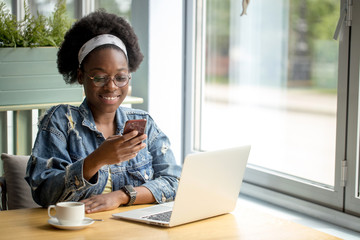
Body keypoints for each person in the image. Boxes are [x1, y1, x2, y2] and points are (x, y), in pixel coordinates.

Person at [25, 10, 182, 214]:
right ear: (81, 76)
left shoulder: (144, 123)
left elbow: (174, 182)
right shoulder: (61, 121)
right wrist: (98, 159)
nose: (111, 87)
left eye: (120, 77)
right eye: (99, 78)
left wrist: (121, 196)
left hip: (135, 231)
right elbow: (44, 193)